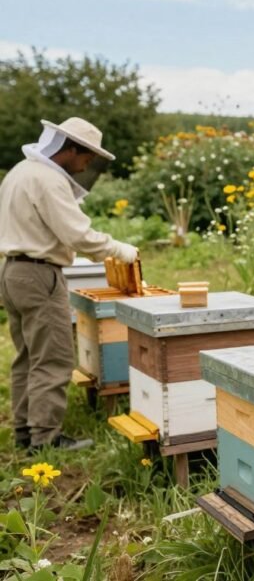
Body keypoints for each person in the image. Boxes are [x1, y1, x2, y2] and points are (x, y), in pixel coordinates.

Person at [0, 117, 138, 451]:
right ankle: (45, 439)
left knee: (28, 356)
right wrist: (120, 249)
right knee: (54, 359)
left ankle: (25, 431)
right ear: (70, 149)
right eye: (86, 157)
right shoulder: (47, 179)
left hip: (11, 272)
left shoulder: (20, 171)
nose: (87, 165)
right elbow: (77, 234)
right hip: (37, 275)